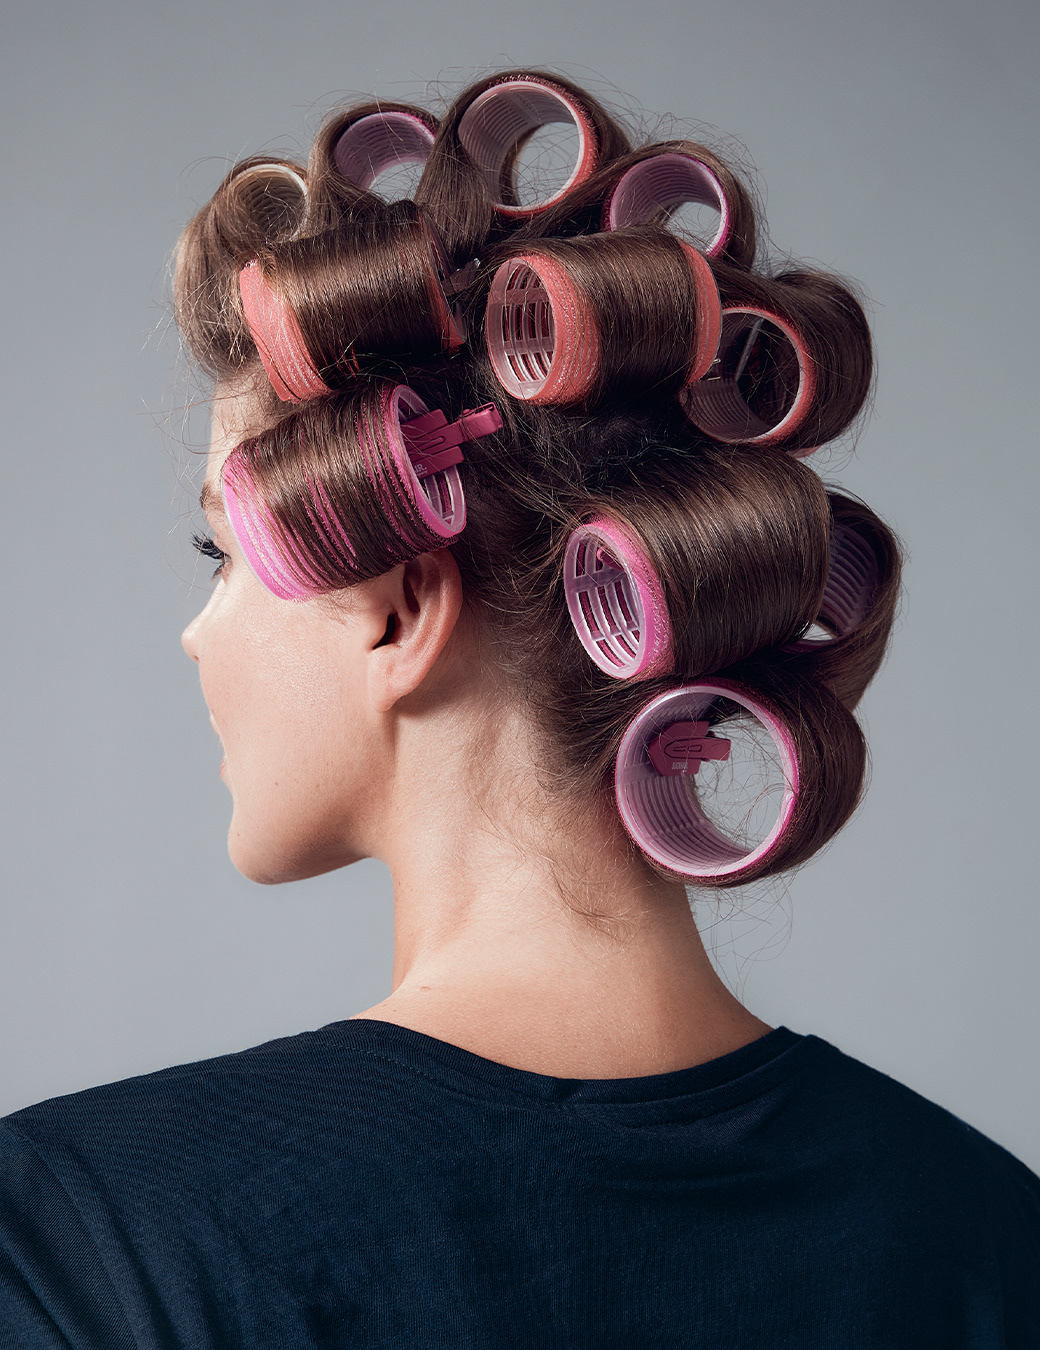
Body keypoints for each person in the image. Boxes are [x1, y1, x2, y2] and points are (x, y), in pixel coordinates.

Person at [1, 69, 1037, 1348]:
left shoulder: (89, 1241)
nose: (194, 633)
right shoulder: (989, 1230)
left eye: (223, 555)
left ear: (398, 608)